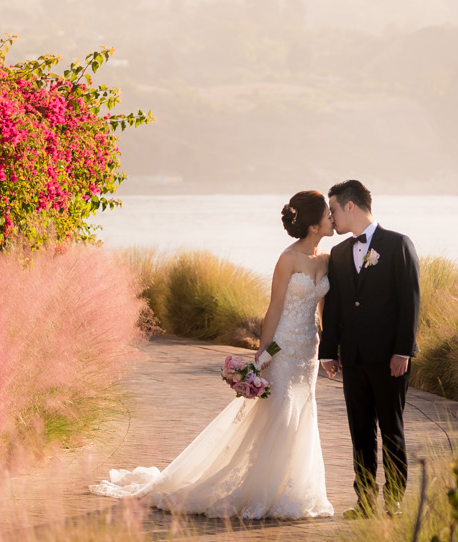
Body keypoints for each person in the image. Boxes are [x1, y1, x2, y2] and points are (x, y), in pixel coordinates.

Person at [88, 190, 336, 519]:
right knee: (280, 412)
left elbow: (324, 308)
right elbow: (274, 307)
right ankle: (261, 489)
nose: (333, 218)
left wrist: (330, 347)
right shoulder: (288, 258)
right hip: (283, 348)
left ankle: (292, 489)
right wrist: (261, 356)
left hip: (309, 351)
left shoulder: (328, 258)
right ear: (314, 226)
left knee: (302, 414)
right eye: (328, 215)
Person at [318, 179, 419, 517]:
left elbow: (410, 303)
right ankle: (364, 502)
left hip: (391, 359)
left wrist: (403, 351)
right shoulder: (339, 253)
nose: (331, 217)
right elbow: (333, 308)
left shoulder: (398, 244)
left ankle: (394, 500)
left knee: (391, 429)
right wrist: (329, 352)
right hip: (354, 359)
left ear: (350, 206)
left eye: (333, 209)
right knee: (360, 432)